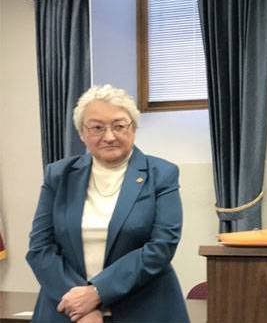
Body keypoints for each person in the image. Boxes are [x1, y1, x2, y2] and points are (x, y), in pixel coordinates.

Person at [27, 85, 189, 323]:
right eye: (96, 127)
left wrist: (97, 293)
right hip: (68, 311)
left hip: (144, 309)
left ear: (133, 128)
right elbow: (40, 248)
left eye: (119, 125)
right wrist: (81, 305)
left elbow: (161, 247)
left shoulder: (162, 174)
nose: (109, 136)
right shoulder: (58, 175)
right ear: (82, 133)